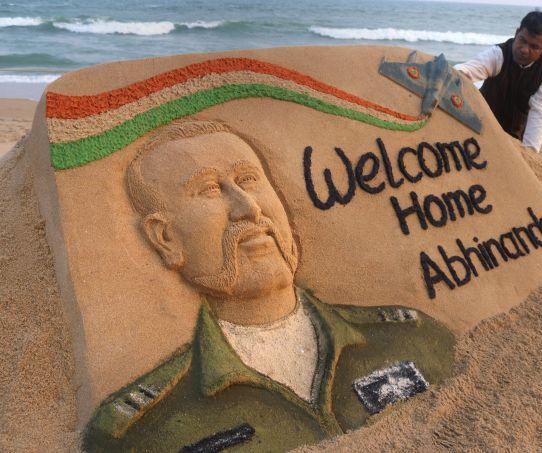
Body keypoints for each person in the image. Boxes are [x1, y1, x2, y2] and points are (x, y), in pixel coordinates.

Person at [83, 119, 456, 452]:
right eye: (210, 190)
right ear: (165, 239)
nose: (248, 208)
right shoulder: (142, 427)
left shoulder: (411, 337)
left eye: (248, 180)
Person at [454, 11, 542, 152]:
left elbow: (539, 109)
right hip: (480, 125)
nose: (524, 50)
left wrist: (529, 152)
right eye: (522, 40)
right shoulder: (498, 54)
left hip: (515, 135)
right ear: (516, 33)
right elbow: (468, 71)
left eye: (534, 47)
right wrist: (452, 75)